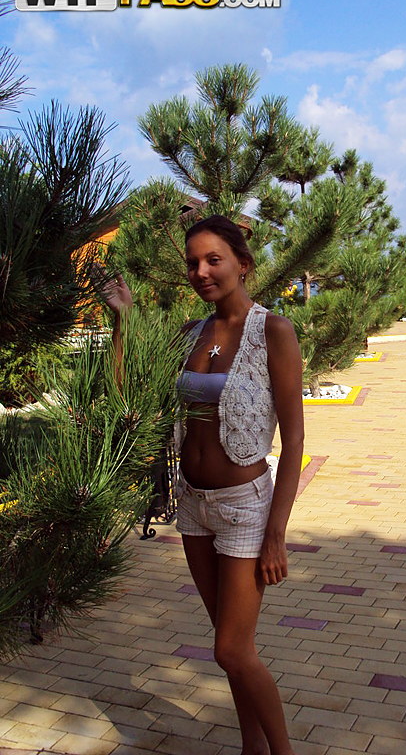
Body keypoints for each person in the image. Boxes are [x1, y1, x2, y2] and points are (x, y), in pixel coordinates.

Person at [103, 215, 304, 755]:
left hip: (245, 507)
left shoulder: (273, 331)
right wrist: (123, 323)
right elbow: (128, 390)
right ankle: (252, 747)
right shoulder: (190, 333)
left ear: (243, 264)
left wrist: (276, 534)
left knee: (232, 651)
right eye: (193, 263)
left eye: (214, 259)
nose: (201, 271)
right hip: (192, 505)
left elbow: (294, 441)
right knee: (228, 646)